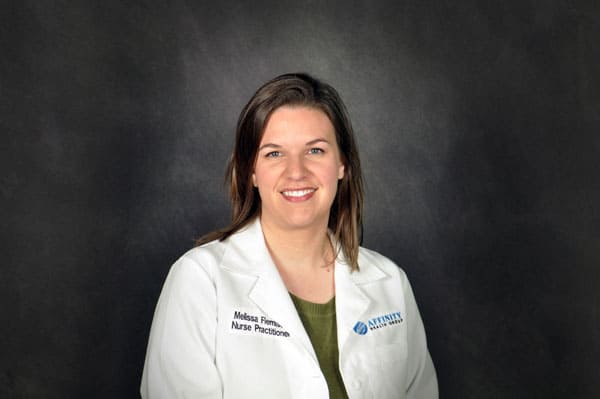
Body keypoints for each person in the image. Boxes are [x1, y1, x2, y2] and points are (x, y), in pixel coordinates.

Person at [140, 73, 438, 398]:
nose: (296, 172)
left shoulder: (391, 283)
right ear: (250, 172)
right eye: (274, 154)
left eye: (315, 150)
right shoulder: (200, 280)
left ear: (342, 164)